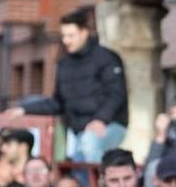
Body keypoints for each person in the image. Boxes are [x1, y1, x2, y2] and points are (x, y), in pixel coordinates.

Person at [13, 8, 129, 163]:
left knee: (89, 143)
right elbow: (57, 102)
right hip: (77, 133)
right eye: (63, 36)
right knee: (75, 165)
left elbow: (116, 94)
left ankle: (101, 183)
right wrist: (24, 109)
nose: (66, 40)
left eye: (71, 35)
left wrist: (100, 119)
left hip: (109, 125)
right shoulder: (64, 64)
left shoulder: (106, 58)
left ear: (84, 32)